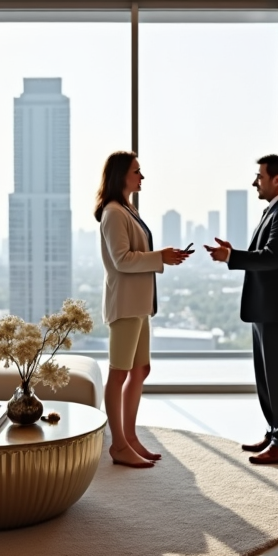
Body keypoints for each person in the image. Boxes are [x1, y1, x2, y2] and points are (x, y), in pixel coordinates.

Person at [204, 154, 278, 465]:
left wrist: (231, 256)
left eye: (259, 177)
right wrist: (233, 253)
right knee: (266, 377)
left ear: (277, 179)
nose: (255, 182)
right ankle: (275, 433)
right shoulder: (274, 212)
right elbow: (267, 255)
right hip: (266, 310)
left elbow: (272, 257)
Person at [95, 151, 192, 468]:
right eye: (137, 171)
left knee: (140, 370)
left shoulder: (127, 209)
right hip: (125, 304)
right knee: (119, 372)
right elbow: (122, 259)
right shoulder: (112, 212)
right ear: (121, 175)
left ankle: (130, 437)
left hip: (138, 304)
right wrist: (160, 256)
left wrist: (165, 256)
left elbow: (135, 254)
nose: (142, 176)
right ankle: (119, 445)